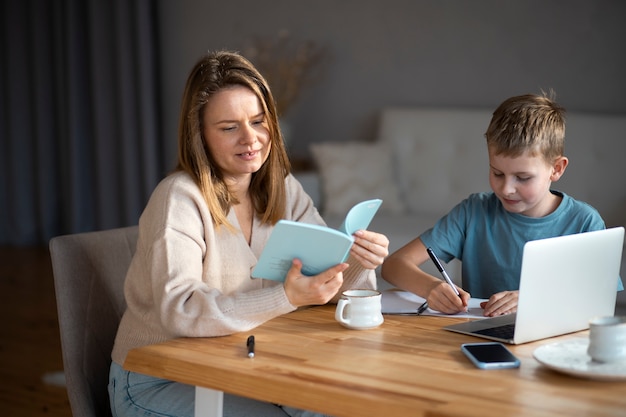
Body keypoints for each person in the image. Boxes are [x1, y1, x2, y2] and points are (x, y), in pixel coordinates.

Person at [108, 50, 389, 417]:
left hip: (244, 363)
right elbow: (182, 309)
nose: (251, 139)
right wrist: (286, 297)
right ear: (200, 135)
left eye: (258, 121)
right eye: (229, 127)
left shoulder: (283, 187)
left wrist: (357, 261)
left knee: (339, 408)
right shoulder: (178, 197)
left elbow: (320, 280)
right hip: (160, 376)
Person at [381, 92, 622, 318]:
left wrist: (534, 299)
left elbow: (600, 297)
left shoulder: (584, 222)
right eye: (497, 173)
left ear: (556, 169)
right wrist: (431, 287)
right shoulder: (472, 212)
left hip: (557, 341)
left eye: (523, 178)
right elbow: (393, 265)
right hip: (480, 335)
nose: (506, 189)